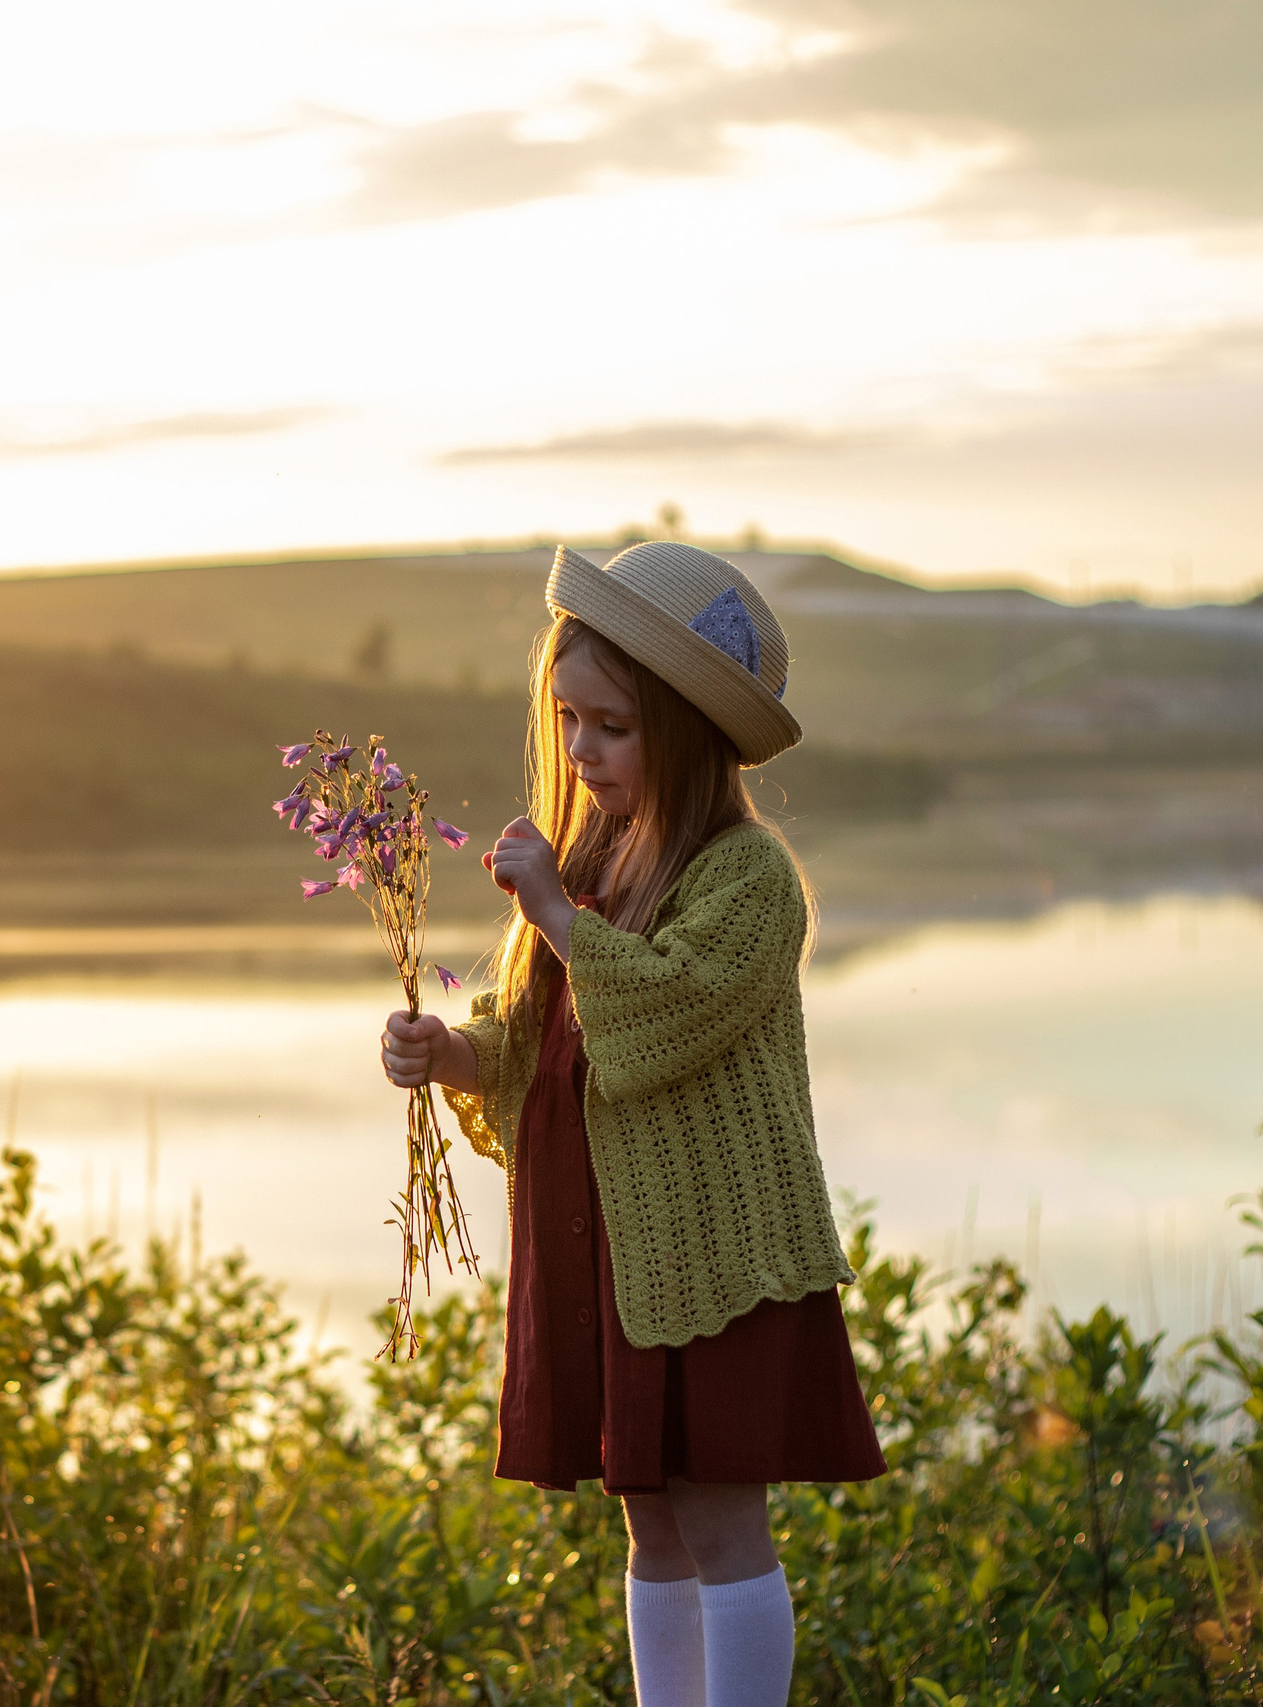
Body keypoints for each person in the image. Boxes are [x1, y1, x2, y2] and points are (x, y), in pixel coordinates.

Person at [379, 542, 885, 1707]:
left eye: (611, 725)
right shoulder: (595, 860)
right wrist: (451, 1052)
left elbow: (666, 1018)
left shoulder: (747, 877)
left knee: (716, 1520)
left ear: (688, 731)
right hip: (604, 1251)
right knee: (646, 1522)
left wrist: (555, 910)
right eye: (567, 719)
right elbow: (537, 1045)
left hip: (709, 1258)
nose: (580, 751)